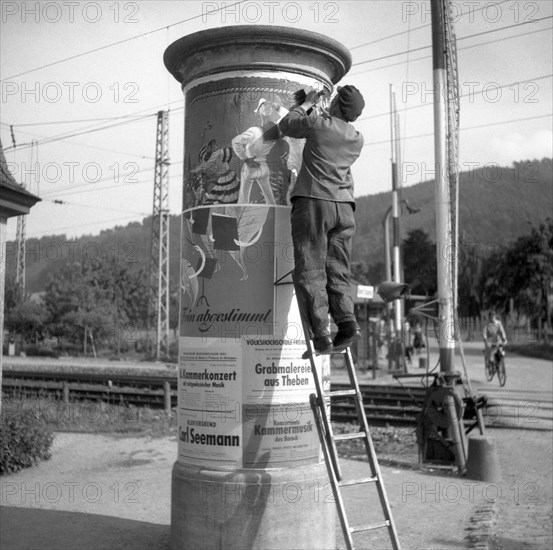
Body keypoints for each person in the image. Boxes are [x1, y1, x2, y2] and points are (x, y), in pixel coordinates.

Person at [279, 85, 365, 353]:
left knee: (311, 270)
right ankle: (347, 323)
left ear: (337, 103)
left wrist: (307, 104)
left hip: (315, 203)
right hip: (345, 209)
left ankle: (321, 335)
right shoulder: (357, 138)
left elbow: (287, 124)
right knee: (337, 271)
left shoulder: (319, 123)